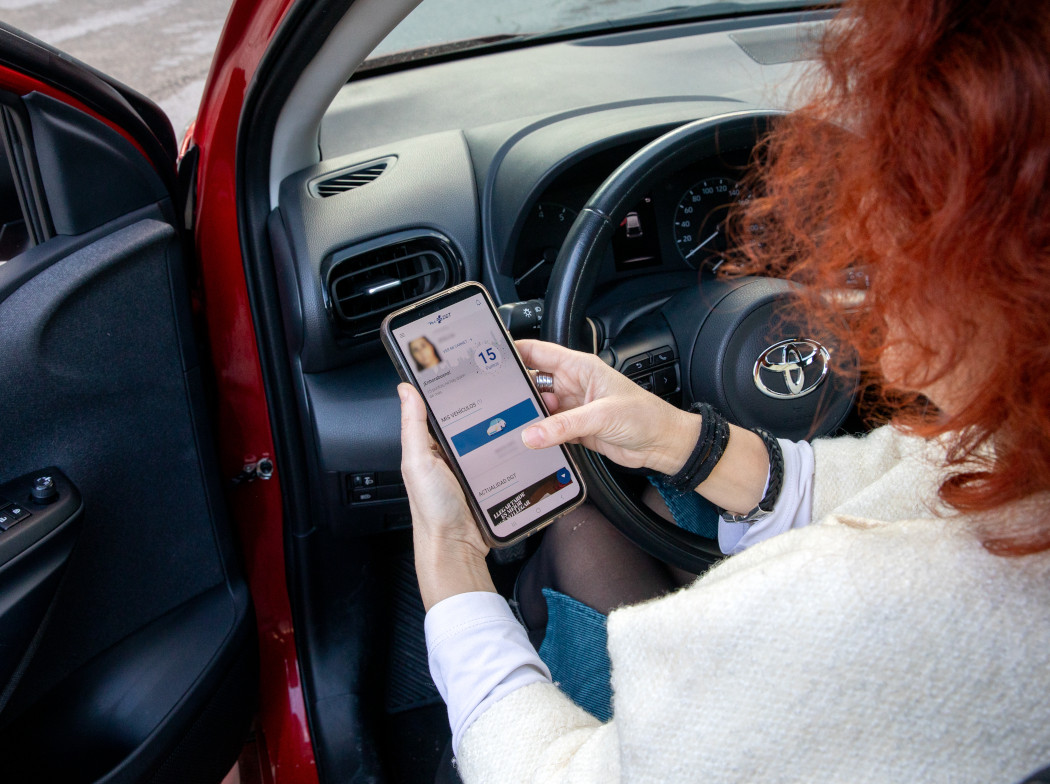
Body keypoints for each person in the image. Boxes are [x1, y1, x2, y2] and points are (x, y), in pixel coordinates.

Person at [399, 0, 1050, 780]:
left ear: (1011, 288)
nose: (863, 281)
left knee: (579, 528)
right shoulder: (1018, 454)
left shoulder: (848, 612)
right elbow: (920, 479)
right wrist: (678, 437)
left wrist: (452, 563)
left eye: (903, 236)